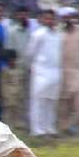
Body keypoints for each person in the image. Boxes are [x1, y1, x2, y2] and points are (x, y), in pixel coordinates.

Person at [27, 9, 62, 137]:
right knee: (39, 101)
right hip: (41, 71)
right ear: (42, 19)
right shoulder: (38, 34)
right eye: (47, 18)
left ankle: (50, 128)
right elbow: (31, 53)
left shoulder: (59, 35)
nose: (50, 21)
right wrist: (34, 67)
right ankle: (37, 130)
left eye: (52, 19)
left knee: (51, 101)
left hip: (55, 72)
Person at [0, 49, 27, 130]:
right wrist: (5, 94)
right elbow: (3, 84)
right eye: (10, 60)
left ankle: (18, 123)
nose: (12, 62)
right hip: (9, 93)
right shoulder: (5, 70)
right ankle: (8, 124)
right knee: (9, 109)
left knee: (18, 108)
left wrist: (22, 91)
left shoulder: (20, 69)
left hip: (19, 92)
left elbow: (23, 81)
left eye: (14, 60)